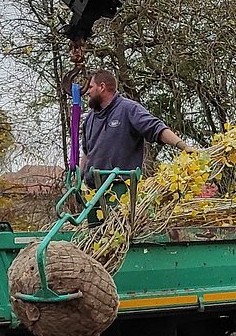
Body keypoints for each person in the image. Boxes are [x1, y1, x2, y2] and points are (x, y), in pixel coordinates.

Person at [77, 71, 188, 223]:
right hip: (93, 192)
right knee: (95, 237)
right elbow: (87, 152)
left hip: (119, 190)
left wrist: (183, 146)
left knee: (115, 235)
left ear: (102, 87)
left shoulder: (128, 109)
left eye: (90, 87)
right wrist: (79, 177)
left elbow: (156, 128)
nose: (87, 92)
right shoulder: (90, 118)